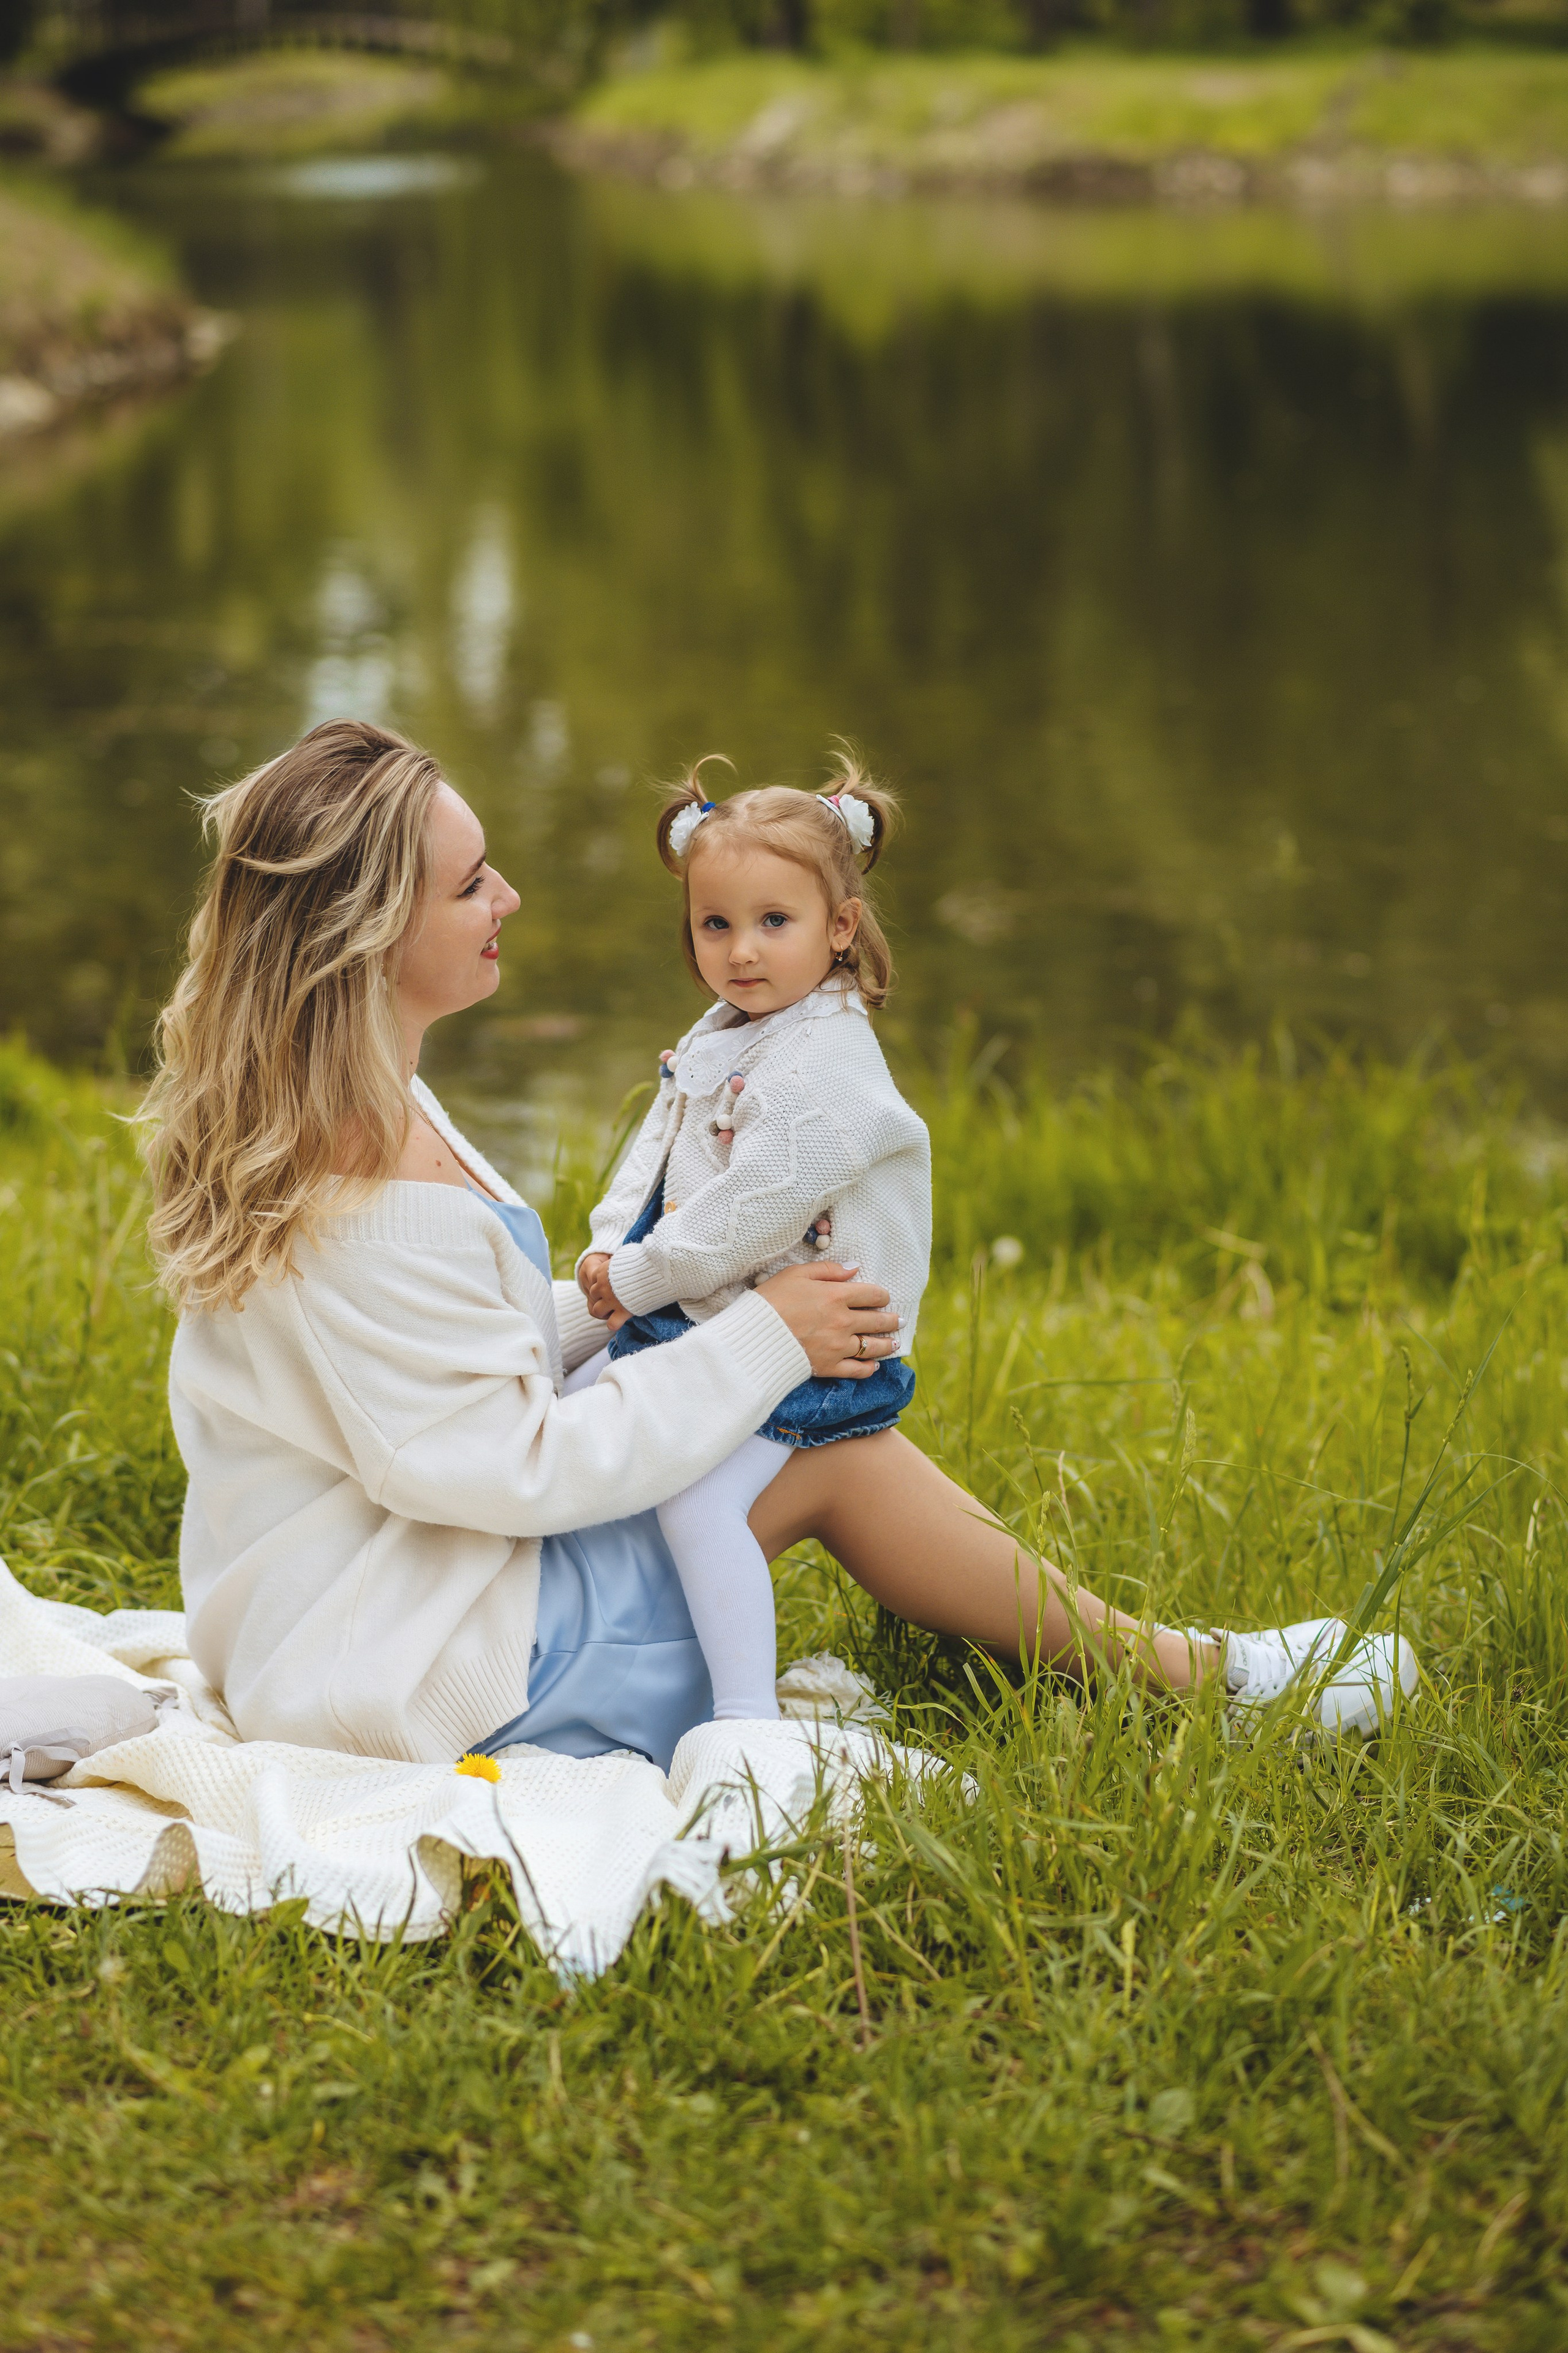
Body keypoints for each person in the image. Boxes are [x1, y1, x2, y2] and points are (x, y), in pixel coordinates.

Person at [141, 719, 1415, 1772]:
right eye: (470, 882)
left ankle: (1132, 1646)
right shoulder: (361, 1176)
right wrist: (766, 1332)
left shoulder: (351, 1105)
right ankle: (1207, 1679)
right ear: (368, 930)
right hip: (430, 1665)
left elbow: (442, 1379)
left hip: (382, 1592)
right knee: (828, 1455)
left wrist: (594, 1301)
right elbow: (505, 1465)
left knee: (819, 1425)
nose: (508, 897)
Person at [573, 758, 928, 1726]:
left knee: (696, 1503)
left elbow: (753, 1214)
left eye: (776, 922)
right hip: (728, 1313)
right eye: (715, 924)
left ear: (839, 928)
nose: (741, 950)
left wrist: (636, 1280)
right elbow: (654, 1153)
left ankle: (742, 1718)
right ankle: (595, 1630)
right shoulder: (732, 1027)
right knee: (574, 1402)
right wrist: (607, 1253)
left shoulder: (824, 1062)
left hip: (816, 1349)